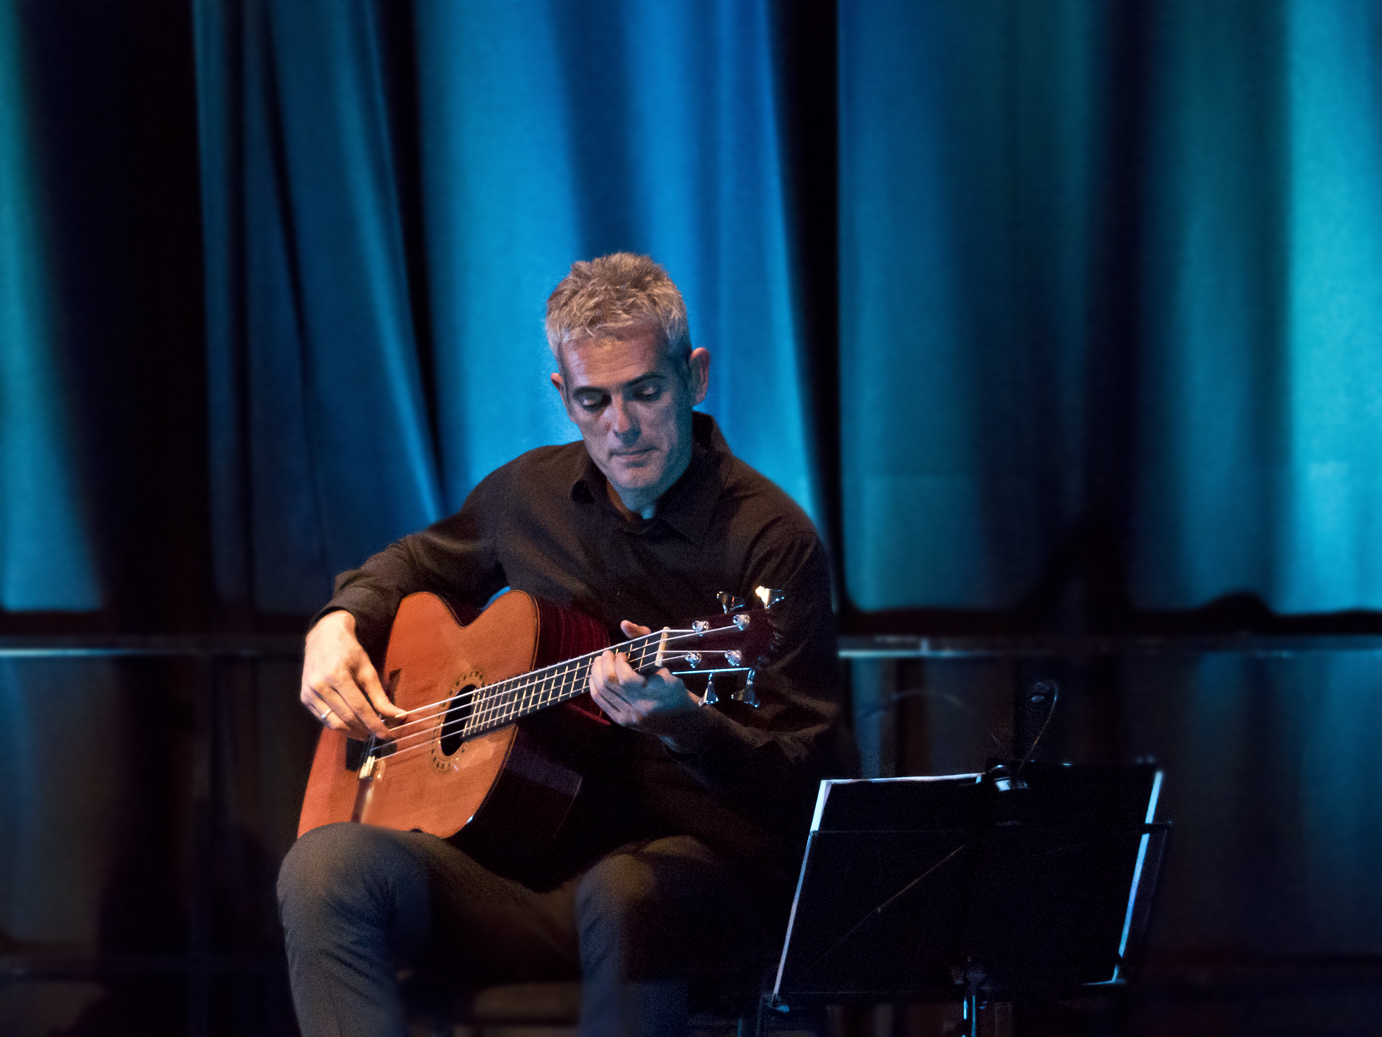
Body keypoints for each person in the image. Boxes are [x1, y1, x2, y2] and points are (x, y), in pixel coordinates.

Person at [277, 252, 854, 1036]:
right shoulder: (527, 495)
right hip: (524, 874)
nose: (621, 425)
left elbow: (806, 785)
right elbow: (413, 564)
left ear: (694, 376)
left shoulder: (771, 540)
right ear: (562, 395)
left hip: (689, 885)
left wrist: (688, 726)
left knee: (623, 893)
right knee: (325, 866)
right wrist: (338, 622)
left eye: (645, 391)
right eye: (593, 399)